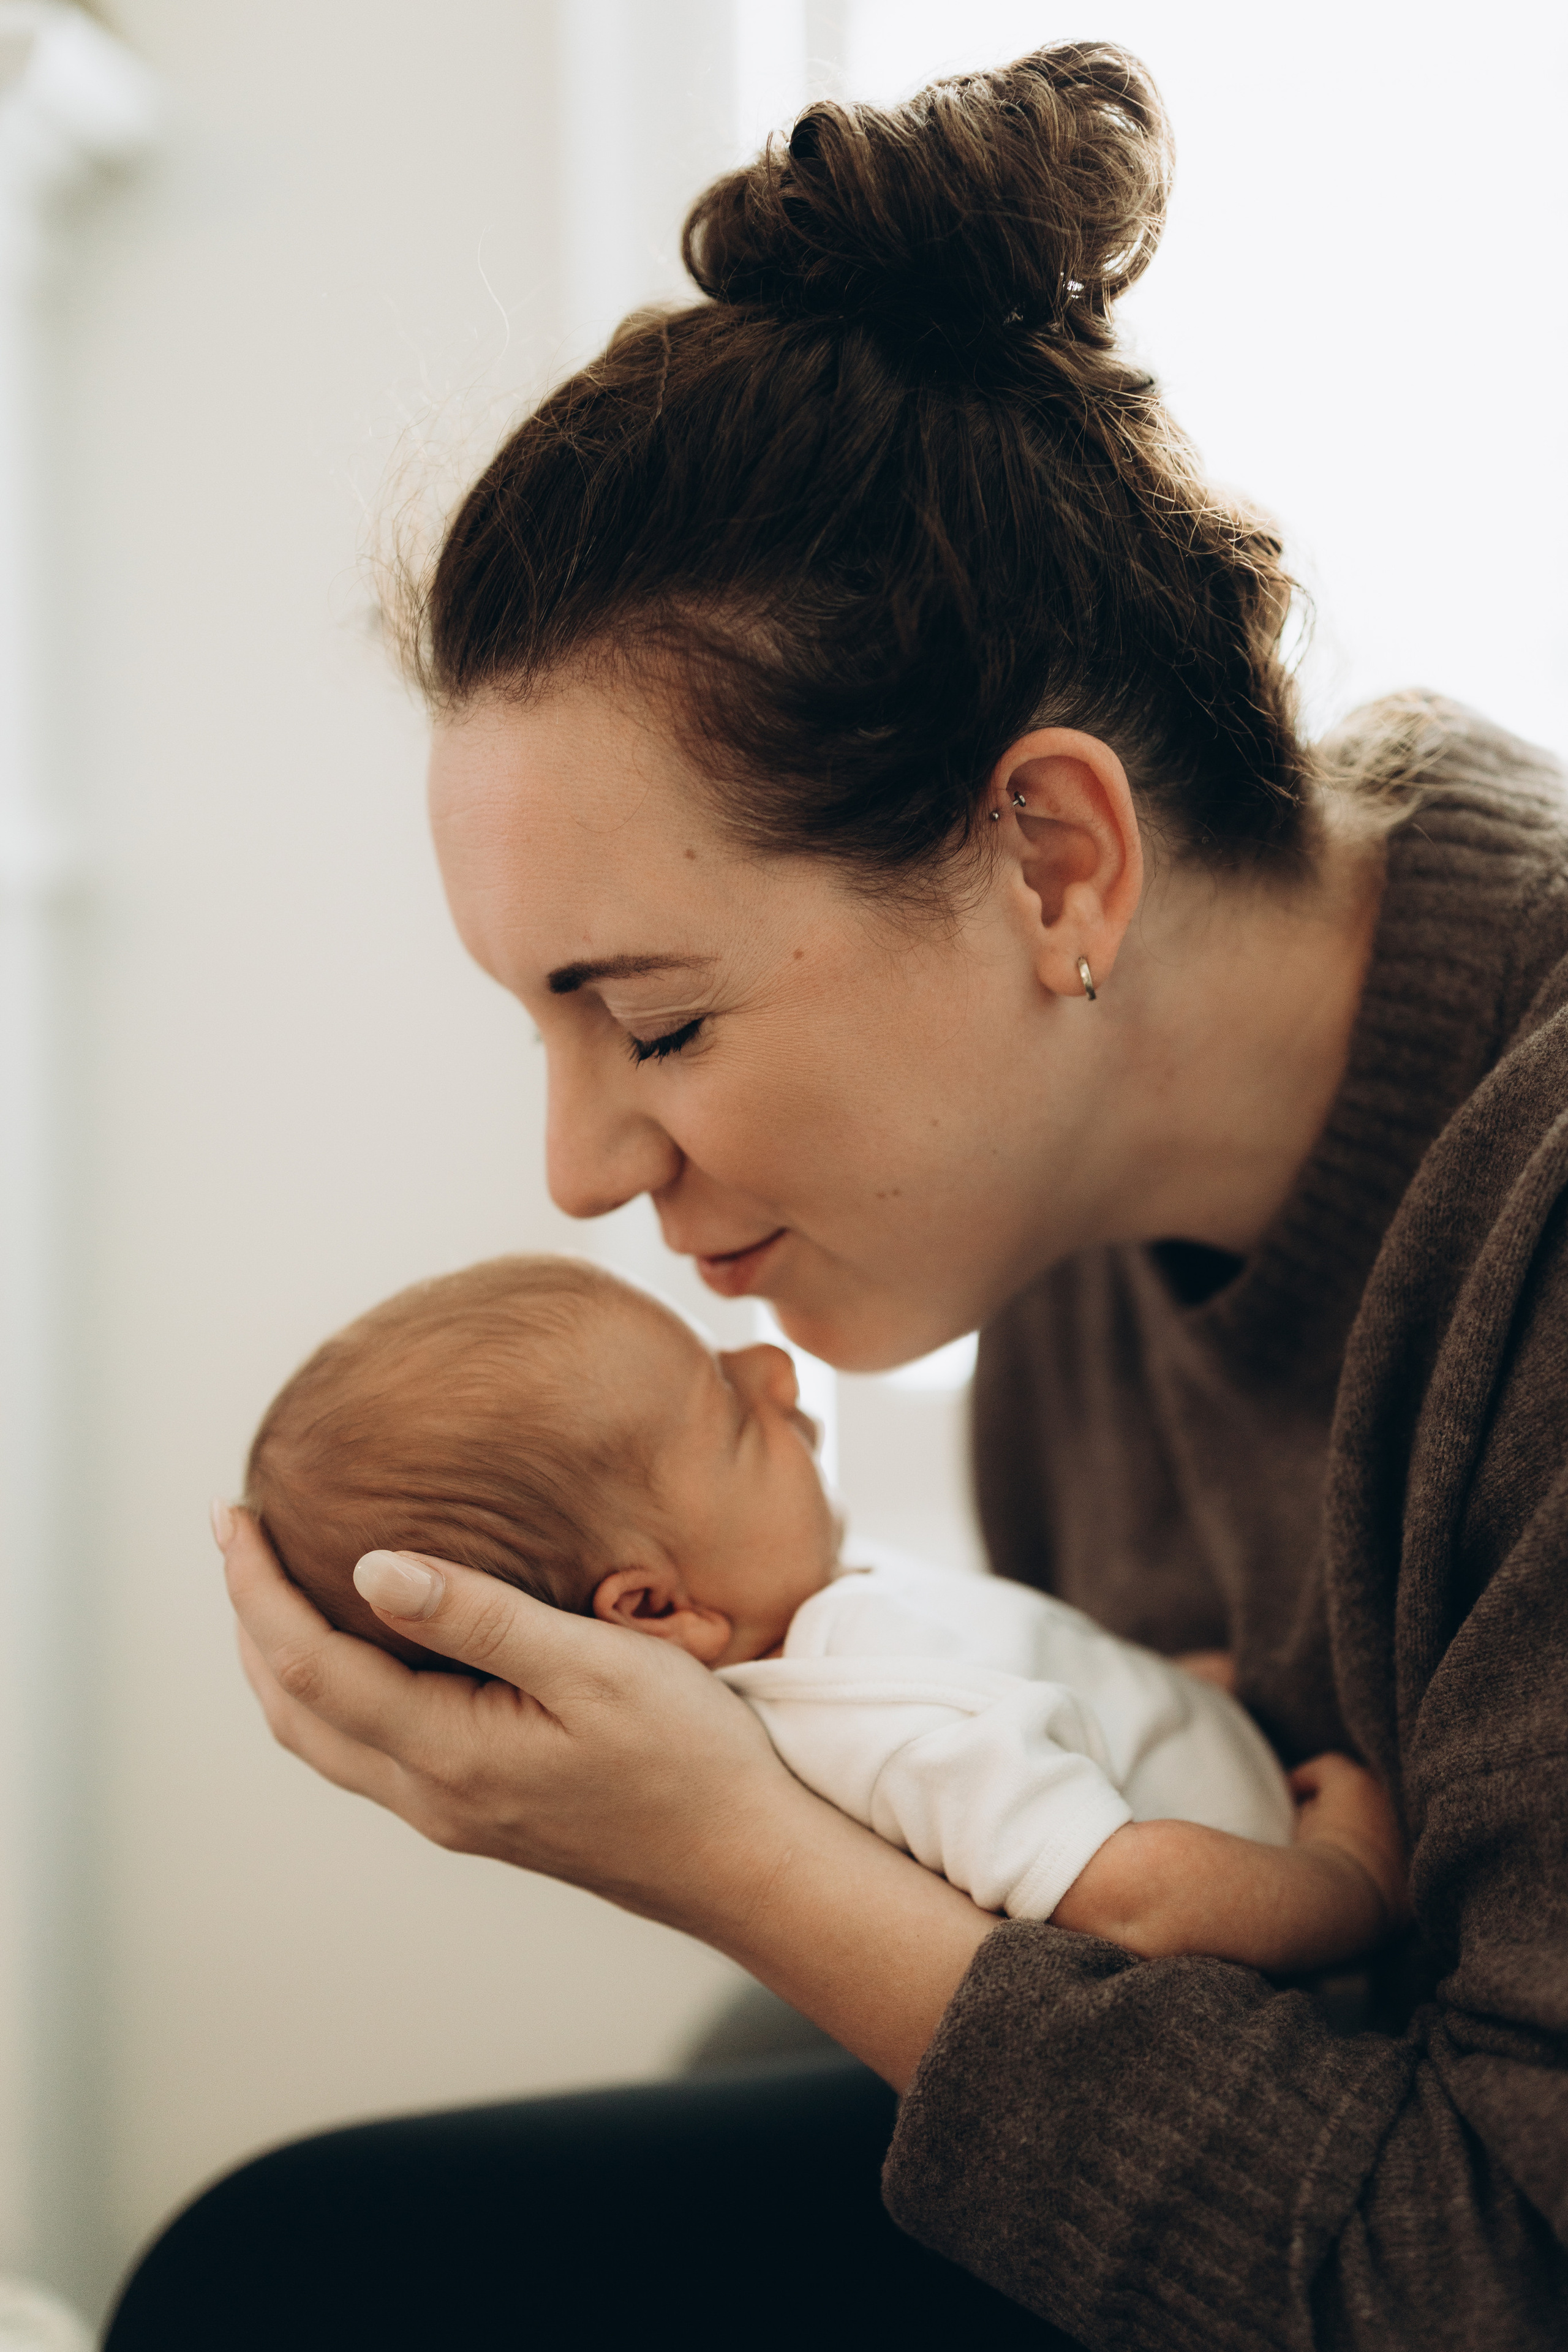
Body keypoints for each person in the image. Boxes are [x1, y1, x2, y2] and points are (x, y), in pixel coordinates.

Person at [109, 39, 1567, 2352]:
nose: (580, 1168)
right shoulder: (1067, 1227)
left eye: (657, 1023)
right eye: (547, 1030)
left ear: (1052, 857)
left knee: (288, 2291)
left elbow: (1496, 2274)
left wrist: (739, 1854)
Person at [242, 1251, 1404, 1963]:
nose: (776, 1375)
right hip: (1302, 1964)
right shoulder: (876, 1706)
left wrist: (1164, 1699)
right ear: (655, 1608)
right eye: (731, 1413)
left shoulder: (831, 1637)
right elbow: (1134, 1902)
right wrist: (1345, 1881)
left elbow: (1029, 1708)